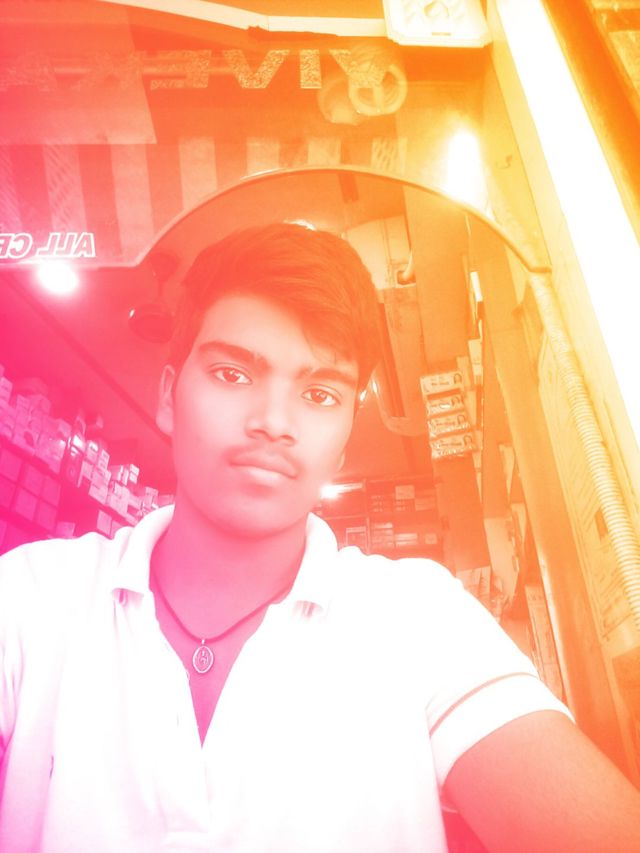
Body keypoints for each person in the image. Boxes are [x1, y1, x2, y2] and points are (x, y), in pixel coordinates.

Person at [1, 223, 639, 853]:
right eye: (232, 374)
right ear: (169, 397)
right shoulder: (33, 595)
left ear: (344, 442)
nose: (273, 422)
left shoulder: (419, 615)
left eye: (320, 393)